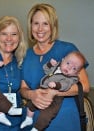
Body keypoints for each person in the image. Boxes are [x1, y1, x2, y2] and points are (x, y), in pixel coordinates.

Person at [20, 3, 90, 131]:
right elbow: (23, 88)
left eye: (45, 23)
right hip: (31, 121)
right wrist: (32, 95)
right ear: (30, 26)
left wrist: (53, 92)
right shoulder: (26, 54)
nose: (40, 29)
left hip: (64, 122)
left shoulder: (68, 49)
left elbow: (84, 87)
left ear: (53, 26)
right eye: (36, 23)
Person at [20, 51, 86, 131]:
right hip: (41, 89)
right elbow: (46, 70)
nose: (69, 68)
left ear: (76, 73)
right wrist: (50, 64)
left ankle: (37, 128)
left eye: (74, 68)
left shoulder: (71, 79)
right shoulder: (57, 67)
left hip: (56, 98)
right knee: (31, 105)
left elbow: (66, 85)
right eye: (68, 63)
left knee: (47, 114)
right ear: (63, 60)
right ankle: (29, 119)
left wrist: (56, 85)